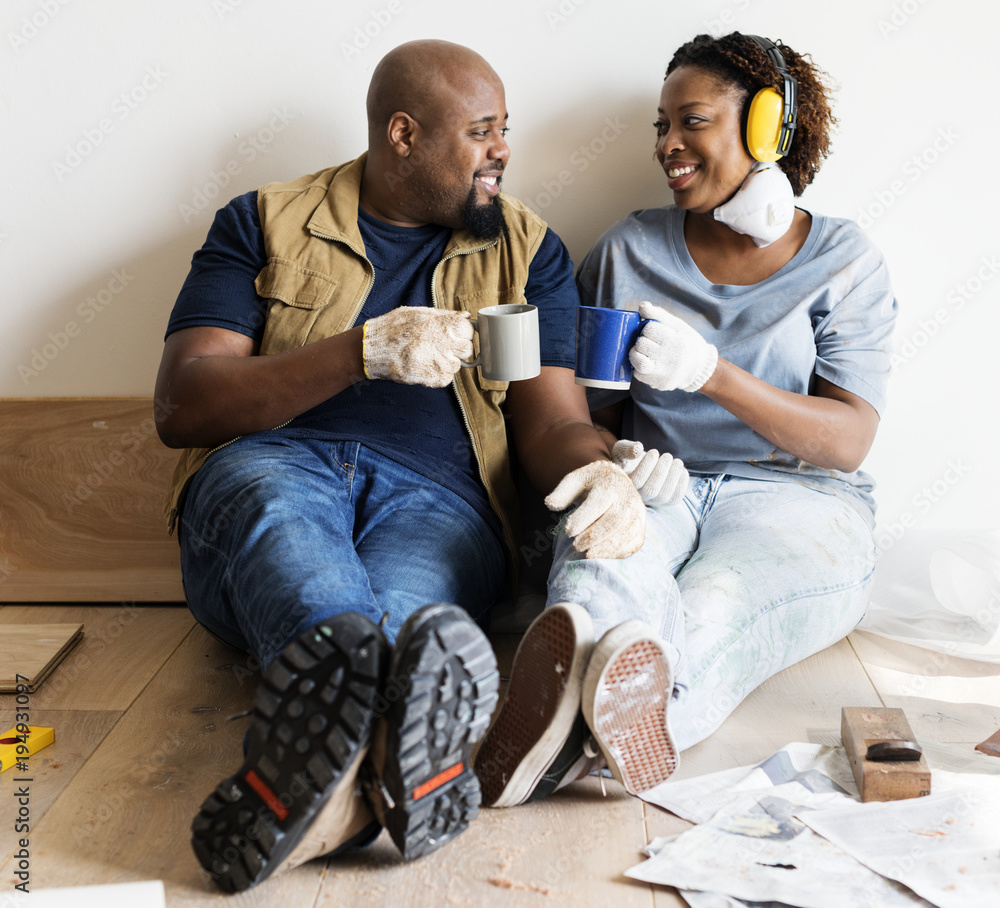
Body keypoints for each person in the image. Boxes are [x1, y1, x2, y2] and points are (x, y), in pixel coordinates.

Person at [155, 39, 650, 892]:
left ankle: (320, 800)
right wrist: (359, 353)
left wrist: (604, 466)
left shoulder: (528, 252)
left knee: (411, 625)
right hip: (273, 465)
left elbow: (552, 425)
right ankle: (401, 765)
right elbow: (185, 404)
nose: (502, 151)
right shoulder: (261, 221)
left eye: (506, 130)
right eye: (482, 132)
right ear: (403, 135)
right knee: (288, 533)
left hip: (438, 505)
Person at [474, 31, 898, 806]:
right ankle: (577, 725)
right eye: (660, 126)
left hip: (800, 501)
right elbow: (585, 414)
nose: (668, 145)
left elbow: (847, 440)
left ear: (768, 126)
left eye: (690, 121)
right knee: (602, 562)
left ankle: (586, 733)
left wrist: (712, 374)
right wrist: (616, 462)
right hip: (662, 480)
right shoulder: (629, 248)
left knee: (717, 603)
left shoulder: (844, 259)